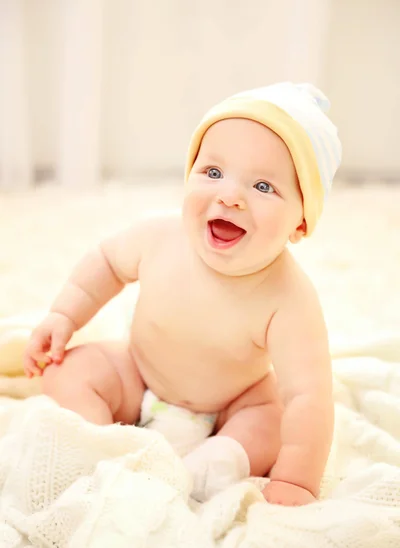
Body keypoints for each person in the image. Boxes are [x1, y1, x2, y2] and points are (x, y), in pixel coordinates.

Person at [23, 82, 341, 506]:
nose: (230, 196)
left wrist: (298, 480)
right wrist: (64, 316)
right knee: (67, 373)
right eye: (213, 173)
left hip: (233, 403)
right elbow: (105, 263)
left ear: (299, 224)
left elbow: (308, 394)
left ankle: (216, 459)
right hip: (139, 374)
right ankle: (102, 451)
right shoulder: (159, 236)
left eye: (263, 187)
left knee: (273, 420)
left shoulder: (289, 298)